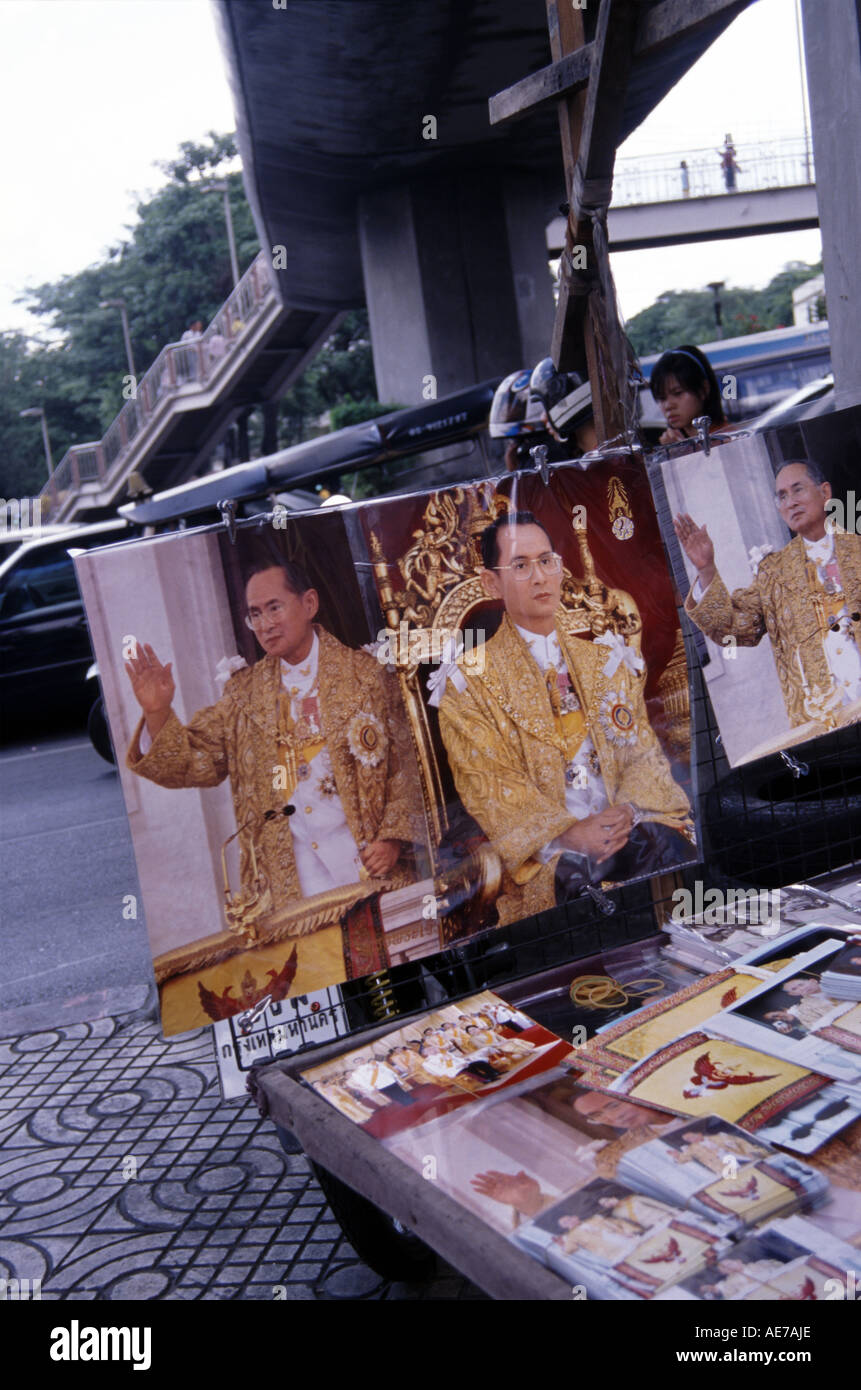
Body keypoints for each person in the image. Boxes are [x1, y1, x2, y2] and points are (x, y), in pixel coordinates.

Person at [124, 560, 418, 927]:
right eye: (255, 614)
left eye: (274, 608)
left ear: (309, 604)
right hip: (287, 890)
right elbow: (194, 761)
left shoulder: (366, 675)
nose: (264, 624)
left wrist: (392, 840)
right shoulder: (242, 695)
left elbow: (408, 767)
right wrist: (158, 713)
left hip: (367, 870)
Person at [437, 513, 695, 926]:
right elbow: (491, 788)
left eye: (546, 561)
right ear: (491, 583)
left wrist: (627, 811)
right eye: (520, 565)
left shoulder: (604, 661)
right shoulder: (469, 685)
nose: (539, 577)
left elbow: (644, 754)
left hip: (627, 831)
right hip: (551, 859)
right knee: (584, 888)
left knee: (671, 848)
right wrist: (568, 834)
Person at [674, 460, 861, 727]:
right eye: (782, 496)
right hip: (822, 723)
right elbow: (733, 629)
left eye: (798, 490)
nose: (790, 502)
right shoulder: (773, 573)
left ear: (825, 493)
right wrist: (706, 569)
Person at [649, 344, 732, 446]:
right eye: (661, 398)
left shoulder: (729, 439)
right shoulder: (674, 442)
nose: (668, 406)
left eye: (677, 393)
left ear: (703, 389)